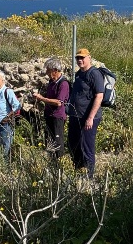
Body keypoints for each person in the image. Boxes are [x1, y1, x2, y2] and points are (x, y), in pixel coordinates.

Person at [67, 48, 104, 179]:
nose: (79, 60)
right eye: (78, 58)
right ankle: (78, 169)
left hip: (88, 117)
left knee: (87, 146)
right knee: (73, 143)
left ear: (89, 58)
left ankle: (89, 175)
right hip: (76, 116)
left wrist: (90, 118)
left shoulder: (94, 74)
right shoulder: (78, 74)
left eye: (82, 58)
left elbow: (99, 96)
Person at [33, 57, 69, 160]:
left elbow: (58, 102)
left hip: (57, 118)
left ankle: (60, 165)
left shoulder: (63, 84)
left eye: (48, 70)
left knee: (58, 143)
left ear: (55, 70)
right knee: (50, 142)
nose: (47, 73)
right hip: (49, 116)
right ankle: (52, 163)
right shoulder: (52, 82)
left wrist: (42, 98)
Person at [0, 70, 20, 159]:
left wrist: (8, 116)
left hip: (6, 125)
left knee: (5, 149)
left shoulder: (7, 91)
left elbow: (17, 106)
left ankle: (6, 166)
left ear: (3, 80)